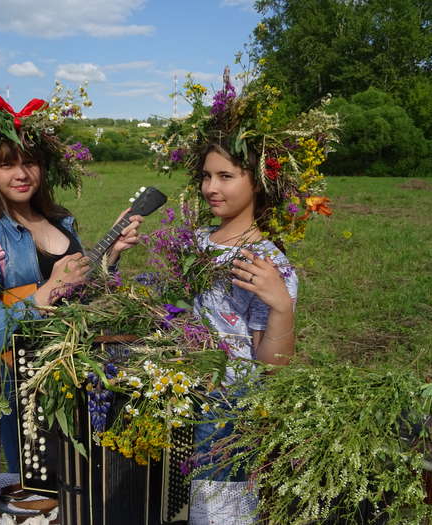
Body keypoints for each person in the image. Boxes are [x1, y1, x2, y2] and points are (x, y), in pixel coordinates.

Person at [0, 89, 142, 475]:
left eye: (30, 163)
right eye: (7, 165)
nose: (21, 174)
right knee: (45, 488)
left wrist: (112, 254)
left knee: (95, 480)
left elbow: (83, 295)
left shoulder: (62, 221)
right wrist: (48, 290)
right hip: (28, 389)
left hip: (84, 371)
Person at [154, 67, 336, 524]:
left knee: (219, 513)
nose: (210, 187)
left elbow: (273, 366)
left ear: (257, 181)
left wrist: (281, 305)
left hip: (228, 412)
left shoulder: (265, 263)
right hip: (177, 396)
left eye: (226, 176)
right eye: (205, 175)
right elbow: (170, 309)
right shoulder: (194, 241)